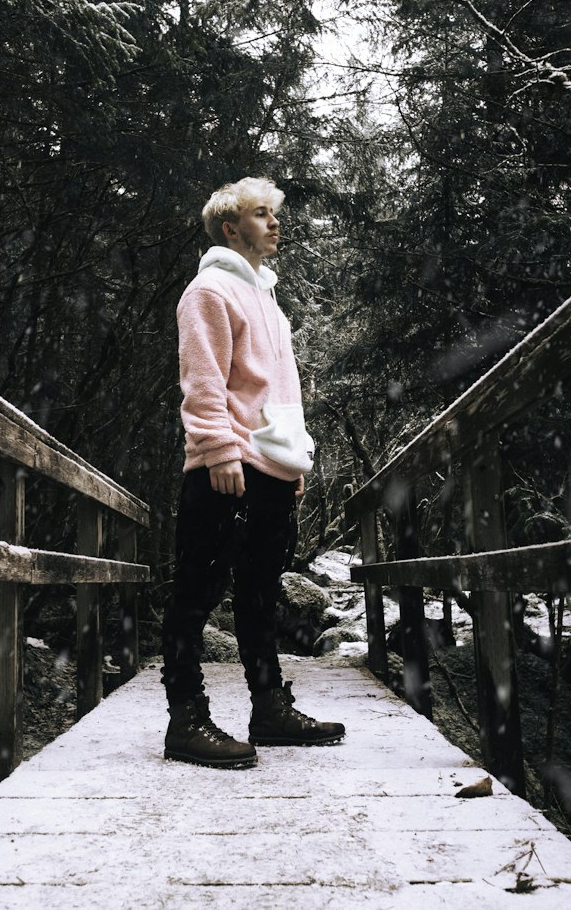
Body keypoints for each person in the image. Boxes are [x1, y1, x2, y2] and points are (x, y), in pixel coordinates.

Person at [161, 176, 345, 768]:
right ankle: (185, 721)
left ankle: (269, 709)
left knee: (261, 595)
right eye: (262, 215)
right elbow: (204, 379)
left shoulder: (265, 297)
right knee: (196, 592)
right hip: (228, 464)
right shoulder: (209, 290)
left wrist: (295, 458)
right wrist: (217, 450)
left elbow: (278, 392)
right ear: (230, 227)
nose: (275, 223)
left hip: (272, 466)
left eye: (275, 214)